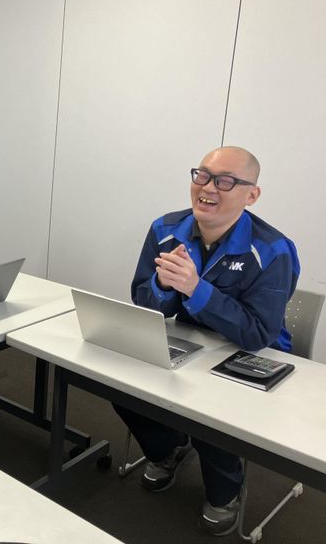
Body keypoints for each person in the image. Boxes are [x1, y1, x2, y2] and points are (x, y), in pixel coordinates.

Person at [115, 146, 299, 536]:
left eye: (225, 181)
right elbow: (143, 301)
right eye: (202, 175)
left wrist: (196, 290)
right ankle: (167, 449)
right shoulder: (165, 230)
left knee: (211, 409)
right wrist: (162, 285)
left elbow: (258, 333)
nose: (208, 188)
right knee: (119, 382)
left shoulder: (272, 250)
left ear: (251, 195)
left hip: (254, 353)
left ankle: (225, 491)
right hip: (191, 343)